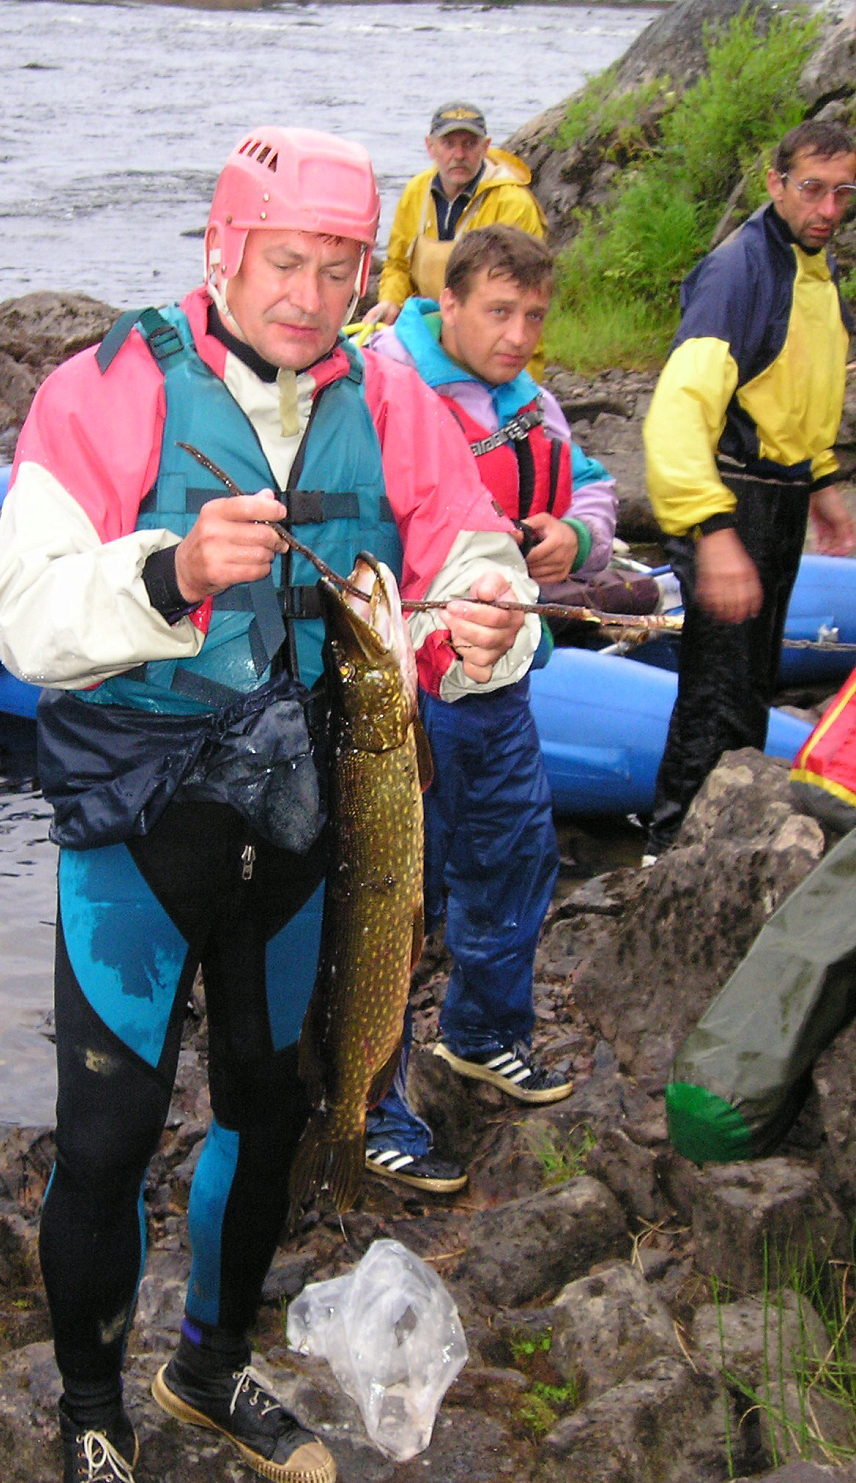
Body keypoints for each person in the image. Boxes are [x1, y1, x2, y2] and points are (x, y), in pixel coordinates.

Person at [0, 126, 539, 1483]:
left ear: (368, 269)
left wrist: (488, 623)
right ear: (222, 250)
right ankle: (95, 1406)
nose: (308, 292)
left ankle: (208, 1360)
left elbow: (469, 546)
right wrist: (167, 572)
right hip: (141, 827)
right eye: (283, 260)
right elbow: (24, 617)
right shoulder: (104, 388)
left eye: (338, 265)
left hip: (307, 836)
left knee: (272, 1110)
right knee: (108, 1139)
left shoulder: (397, 398)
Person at [362, 225, 616, 1191]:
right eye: (499, 313)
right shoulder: (383, 386)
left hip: (501, 675)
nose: (518, 335)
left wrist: (572, 539)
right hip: (405, 689)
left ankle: (480, 1032)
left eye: (535, 317)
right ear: (451, 303)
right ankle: (368, 1102)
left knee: (515, 853)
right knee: (393, 899)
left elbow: (592, 488)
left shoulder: (535, 406)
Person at [643, 119, 856, 862]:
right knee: (717, 692)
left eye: (841, 193)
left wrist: (822, 481)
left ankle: (717, 842)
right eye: (810, 190)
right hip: (724, 494)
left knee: (752, 682)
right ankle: (674, 850)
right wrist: (711, 531)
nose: (826, 208)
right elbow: (676, 413)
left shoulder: (814, 273)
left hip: (777, 497)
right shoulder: (740, 271)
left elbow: (800, 390)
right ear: (774, 184)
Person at [363, 101, 546, 332]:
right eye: (448, 144)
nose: (458, 155)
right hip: (429, 328)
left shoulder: (514, 203)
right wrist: (390, 301)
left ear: (485, 147)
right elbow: (398, 265)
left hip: (491, 332)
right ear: (430, 147)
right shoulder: (415, 191)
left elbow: (524, 293)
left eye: (469, 144)